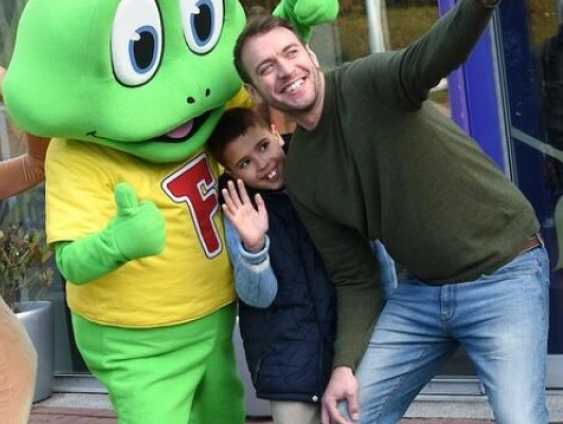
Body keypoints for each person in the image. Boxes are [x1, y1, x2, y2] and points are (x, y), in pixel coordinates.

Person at [234, 0, 549, 422]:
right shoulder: (303, 173)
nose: (286, 70)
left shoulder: (367, 82)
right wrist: (344, 366)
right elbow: (356, 277)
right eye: (267, 67)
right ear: (255, 91)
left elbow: (431, 56)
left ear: (310, 55)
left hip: (505, 273)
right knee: (348, 414)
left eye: (291, 53)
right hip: (422, 293)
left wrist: (478, 6)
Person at [208, 107, 396, 424]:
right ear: (232, 172)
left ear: (275, 131)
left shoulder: (319, 172)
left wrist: (390, 313)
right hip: (287, 364)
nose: (263, 164)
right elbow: (258, 297)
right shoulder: (238, 212)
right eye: (245, 164)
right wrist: (253, 246)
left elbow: (372, 254)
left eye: (263, 146)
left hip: (349, 345)